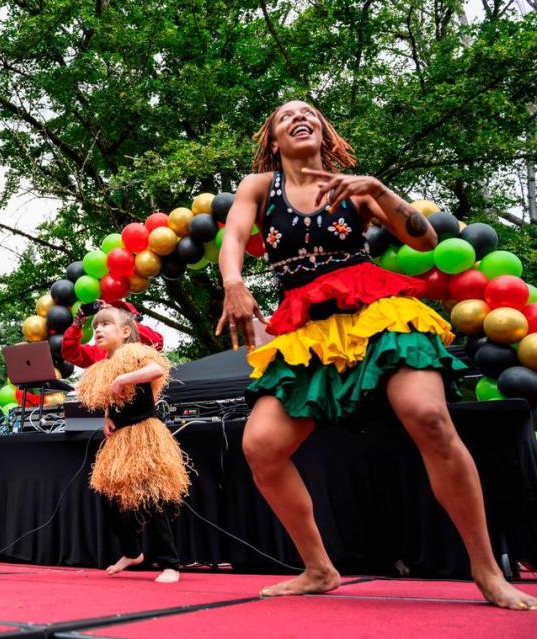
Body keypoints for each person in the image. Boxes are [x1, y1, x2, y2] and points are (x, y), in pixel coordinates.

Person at [217, 99, 537, 610]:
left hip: (380, 315)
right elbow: (233, 235)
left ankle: (486, 571)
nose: (300, 117)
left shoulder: (357, 188)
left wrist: (380, 191)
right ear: (274, 142)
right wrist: (233, 281)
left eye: (310, 113)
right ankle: (319, 569)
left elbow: (424, 236)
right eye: (285, 116)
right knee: (262, 447)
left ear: (324, 132)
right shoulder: (259, 188)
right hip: (308, 332)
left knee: (428, 416)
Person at [76, 306, 189, 583]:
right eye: (95, 327)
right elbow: (112, 396)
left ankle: (170, 564)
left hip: (144, 434)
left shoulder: (134, 352)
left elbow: (156, 369)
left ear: (125, 332)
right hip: (120, 439)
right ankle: (132, 551)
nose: (98, 330)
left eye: (105, 325)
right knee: (110, 497)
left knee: (152, 499)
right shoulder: (102, 365)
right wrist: (107, 416)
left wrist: (124, 377)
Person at [62, 300, 163, 369]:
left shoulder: (141, 344)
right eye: (96, 326)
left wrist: (125, 320)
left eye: (106, 323)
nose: (97, 329)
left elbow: (157, 342)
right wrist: (76, 327)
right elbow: (71, 353)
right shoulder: (97, 351)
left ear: (126, 330)